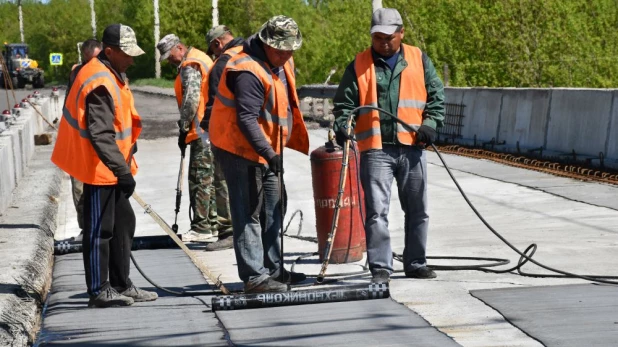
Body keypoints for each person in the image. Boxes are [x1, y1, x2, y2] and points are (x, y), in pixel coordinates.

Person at [332, 8, 445, 283]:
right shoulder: (358, 65)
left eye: (389, 37)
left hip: (412, 146)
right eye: (378, 37)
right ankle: (381, 267)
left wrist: (430, 123)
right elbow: (344, 105)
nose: (383, 43)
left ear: (401, 33)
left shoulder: (419, 59)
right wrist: (342, 127)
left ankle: (416, 262)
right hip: (376, 150)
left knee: (418, 209)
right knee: (376, 211)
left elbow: (436, 96)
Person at [52, 24, 158, 307]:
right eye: (128, 54)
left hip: (111, 166)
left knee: (124, 223)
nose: (132, 60)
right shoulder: (99, 80)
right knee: (100, 229)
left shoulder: (113, 73)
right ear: (110, 51)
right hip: (98, 168)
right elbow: (100, 134)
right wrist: (122, 172)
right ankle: (99, 290)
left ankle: (122, 284)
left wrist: (125, 163)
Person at [209, 15, 309, 293]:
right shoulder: (246, 69)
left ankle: (274, 269)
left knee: (274, 208)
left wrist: (274, 150)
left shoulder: (277, 61)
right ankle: (254, 277)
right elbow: (246, 119)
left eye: (291, 50)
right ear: (266, 44)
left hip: (266, 150)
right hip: (239, 149)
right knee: (249, 212)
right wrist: (269, 152)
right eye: (282, 50)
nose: (287, 55)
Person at [156, 34, 217, 243]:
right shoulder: (199, 58)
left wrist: (183, 127)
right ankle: (212, 225)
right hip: (209, 128)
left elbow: (192, 99)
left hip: (202, 130)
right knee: (208, 178)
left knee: (199, 178)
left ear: (179, 48)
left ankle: (202, 227)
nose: (170, 60)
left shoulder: (191, 65)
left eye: (170, 55)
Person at [200, 25, 244, 252]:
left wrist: (207, 129)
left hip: (226, 134)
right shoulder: (249, 53)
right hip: (251, 133)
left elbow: (215, 104)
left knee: (223, 181)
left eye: (213, 49)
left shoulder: (222, 63)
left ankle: (229, 231)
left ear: (217, 43)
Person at [67, 38, 103, 242]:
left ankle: (105, 227)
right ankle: (86, 229)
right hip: (79, 142)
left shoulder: (110, 73)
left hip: (102, 143)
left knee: (103, 188)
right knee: (79, 188)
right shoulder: (77, 74)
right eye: (90, 61)